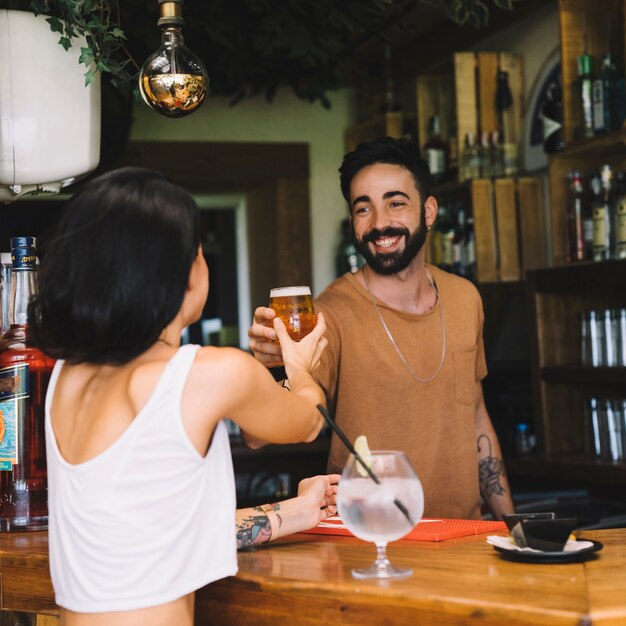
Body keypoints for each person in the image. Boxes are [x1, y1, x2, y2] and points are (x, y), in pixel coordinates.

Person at [30, 166, 330, 626]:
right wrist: (301, 364)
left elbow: (147, 526)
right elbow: (309, 420)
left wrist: (293, 512)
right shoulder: (206, 373)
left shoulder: (67, 375)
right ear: (186, 273)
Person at [248, 136, 515, 521]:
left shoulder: (465, 298)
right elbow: (259, 435)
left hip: (463, 541)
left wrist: (512, 525)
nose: (379, 223)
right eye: (363, 209)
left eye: (395, 202)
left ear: (428, 211)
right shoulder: (329, 314)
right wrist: (271, 366)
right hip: (368, 544)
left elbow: (475, 416)